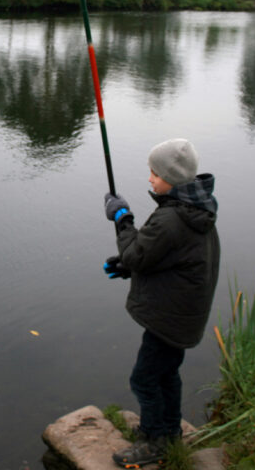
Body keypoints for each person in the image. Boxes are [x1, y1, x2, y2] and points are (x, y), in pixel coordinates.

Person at [102, 138, 220, 468]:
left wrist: (123, 217)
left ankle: (154, 440)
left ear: (173, 178)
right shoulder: (197, 208)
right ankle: (170, 431)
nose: (150, 179)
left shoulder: (171, 218)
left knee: (145, 378)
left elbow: (138, 253)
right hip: (183, 315)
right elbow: (171, 256)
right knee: (167, 374)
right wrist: (128, 267)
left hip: (169, 319)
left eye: (154, 173)